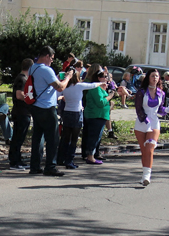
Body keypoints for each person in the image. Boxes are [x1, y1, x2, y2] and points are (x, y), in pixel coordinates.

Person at [28, 46, 71, 176]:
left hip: (35, 106)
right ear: (46, 56)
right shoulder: (46, 70)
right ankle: (50, 166)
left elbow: (44, 84)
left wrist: (55, 78)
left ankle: (35, 166)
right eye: (51, 58)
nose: (52, 61)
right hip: (47, 107)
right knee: (53, 138)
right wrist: (68, 77)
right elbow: (60, 87)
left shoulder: (33, 68)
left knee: (38, 137)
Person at [134, 69, 169, 185]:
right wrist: (145, 120)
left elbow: (160, 109)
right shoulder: (141, 92)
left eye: (157, 76)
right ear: (148, 77)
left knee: (150, 148)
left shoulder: (161, 93)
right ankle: (144, 175)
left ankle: (147, 176)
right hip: (141, 122)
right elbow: (138, 109)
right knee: (144, 151)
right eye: (153, 76)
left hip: (154, 123)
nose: (155, 78)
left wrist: (167, 110)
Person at [57, 67, 101, 169]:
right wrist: (101, 83)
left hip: (67, 112)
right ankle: (69, 160)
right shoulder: (79, 86)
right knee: (74, 139)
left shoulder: (65, 87)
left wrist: (59, 78)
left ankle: (61, 158)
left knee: (66, 137)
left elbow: (57, 94)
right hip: (76, 113)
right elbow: (92, 85)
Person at [82, 69, 114, 165]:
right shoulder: (95, 88)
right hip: (95, 116)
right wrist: (110, 96)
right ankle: (90, 157)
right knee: (93, 137)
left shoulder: (100, 88)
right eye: (105, 77)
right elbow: (100, 103)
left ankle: (92, 155)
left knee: (96, 137)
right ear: (99, 78)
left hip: (100, 115)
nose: (107, 79)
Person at [8, 58, 33, 170]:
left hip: (23, 112)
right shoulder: (22, 79)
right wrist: (31, 100)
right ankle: (14, 161)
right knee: (18, 138)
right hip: (21, 112)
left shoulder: (23, 78)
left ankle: (17, 159)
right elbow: (19, 95)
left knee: (19, 138)